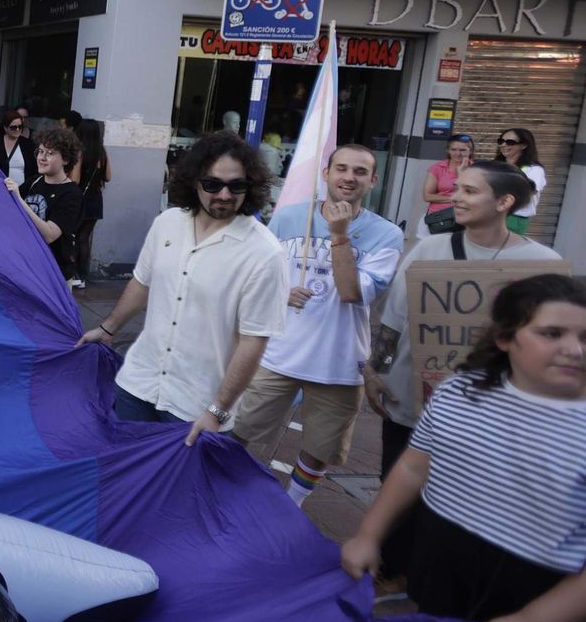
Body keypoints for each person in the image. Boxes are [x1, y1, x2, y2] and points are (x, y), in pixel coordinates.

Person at [344, 274, 586, 622]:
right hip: (443, 556)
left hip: (545, 589)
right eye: (552, 333)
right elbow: (413, 468)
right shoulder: (460, 391)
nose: (574, 349)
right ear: (507, 338)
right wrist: (369, 534)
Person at [364, 161, 562, 578]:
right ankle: (392, 569)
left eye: (470, 191)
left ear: (505, 202)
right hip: (412, 396)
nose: (455, 196)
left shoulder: (541, 265)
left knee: (466, 495)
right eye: (458, 188)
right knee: (398, 482)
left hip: (493, 407)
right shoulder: (428, 249)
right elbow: (394, 320)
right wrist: (375, 371)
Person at [77, 132, 286, 445]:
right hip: (138, 384)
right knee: (125, 481)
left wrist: (218, 410)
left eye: (236, 185)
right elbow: (142, 282)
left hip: (195, 405)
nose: (225, 195)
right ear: (194, 181)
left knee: (179, 492)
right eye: (213, 184)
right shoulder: (168, 222)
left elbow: (253, 342)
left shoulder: (265, 253)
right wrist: (108, 330)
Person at [234, 146, 404, 505]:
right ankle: (224, 493)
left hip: (339, 363)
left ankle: (291, 506)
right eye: (340, 168)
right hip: (275, 352)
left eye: (360, 171)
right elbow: (257, 274)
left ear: (372, 181)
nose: (348, 177)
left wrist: (339, 235)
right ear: (325, 174)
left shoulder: (386, 235)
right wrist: (279, 292)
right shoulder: (287, 218)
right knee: (237, 430)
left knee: (320, 447)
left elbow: (352, 293)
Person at [12, 127, 83, 283]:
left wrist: (19, 199)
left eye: (50, 153)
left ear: (65, 159)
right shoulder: (34, 181)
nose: (42, 157)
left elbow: (49, 235)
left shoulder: (71, 193)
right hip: (29, 268)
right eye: (40, 151)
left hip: (55, 275)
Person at [71, 119, 111, 289]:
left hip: (81, 199)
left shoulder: (80, 152)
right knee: (84, 238)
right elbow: (108, 177)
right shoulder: (102, 152)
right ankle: (83, 277)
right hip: (96, 199)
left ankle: (75, 275)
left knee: (75, 237)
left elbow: (75, 179)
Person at [417, 133, 474, 237]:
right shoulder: (437, 168)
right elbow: (427, 196)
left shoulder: (477, 169)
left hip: (465, 218)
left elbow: (474, 195)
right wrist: (456, 198)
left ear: (470, 151)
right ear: (448, 150)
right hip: (439, 218)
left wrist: (461, 173)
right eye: (453, 149)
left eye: (462, 150)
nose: (457, 153)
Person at [495, 127, 546, 235]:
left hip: (513, 218)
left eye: (510, 142)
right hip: (492, 214)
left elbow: (527, 192)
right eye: (501, 141)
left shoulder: (533, 169)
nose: (504, 145)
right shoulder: (497, 165)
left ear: (524, 145)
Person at [0, 112, 35, 188]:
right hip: (2, 189)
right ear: (5, 128)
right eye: (13, 127)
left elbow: (34, 169)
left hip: (24, 190)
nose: (17, 129)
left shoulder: (28, 144)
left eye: (20, 127)